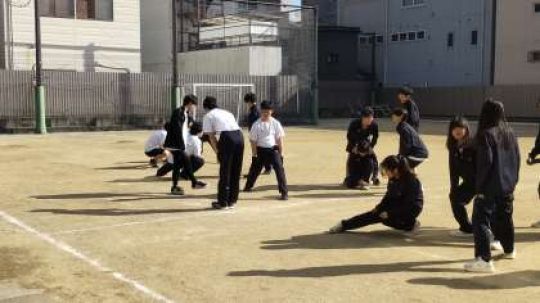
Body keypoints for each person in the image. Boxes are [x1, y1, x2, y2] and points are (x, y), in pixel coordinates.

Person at [465, 99, 520, 273]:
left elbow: (486, 163)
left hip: (490, 186)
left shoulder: (485, 135)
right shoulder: (510, 132)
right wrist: (513, 181)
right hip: (507, 185)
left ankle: (483, 259)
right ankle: (510, 250)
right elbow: (517, 159)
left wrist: (479, 188)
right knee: (504, 218)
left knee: (480, 220)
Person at [328, 155, 423, 234]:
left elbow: (409, 204)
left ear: (395, 170)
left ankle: (411, 223)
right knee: (375, 214)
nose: (385, 172)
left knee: (386, 217)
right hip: (398, 203)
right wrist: (379, 208)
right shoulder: (393, 179)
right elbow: (389, 197)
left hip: (412, 208)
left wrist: (390, 213)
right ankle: (344, 225)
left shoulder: (411, 181)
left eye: (387, 170)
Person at [203, 96, 245, 210]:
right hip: (239, 136)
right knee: (236, 170)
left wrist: (218, 152)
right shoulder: (227, 112)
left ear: (205, 107)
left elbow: (211, 137)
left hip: (227, 137)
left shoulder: (208, 115)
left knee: (225, 171)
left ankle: (223, 202)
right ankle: (232, 200)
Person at [244, 101, 288, 200]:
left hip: (273, 150)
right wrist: (254, 154)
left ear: (271, 111)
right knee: (254, 170)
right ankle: (248, 186)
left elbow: (279, 139)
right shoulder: (256, 124)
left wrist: (281, 154)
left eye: (268, 111)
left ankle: (284, 193)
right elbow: (253, 141)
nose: (266, 113)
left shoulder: (275, 123)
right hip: (260, 151)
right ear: (261, 111)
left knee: (280, 170)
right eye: (264, 111)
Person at [164, 95, 207, 195]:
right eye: (194, 105)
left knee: (177, 165)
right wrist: (181, 145)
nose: (194, 108)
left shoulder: (185, 113)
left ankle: (175, 187)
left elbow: (188, 125)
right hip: (175, 144)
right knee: (186, 159)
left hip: (178, 144)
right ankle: (194, 182)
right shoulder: (178, 112)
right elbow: (177, 129)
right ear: (190, 103)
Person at [446, 116, 475, 237]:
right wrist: (454, 187)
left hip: (482, 181)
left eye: (460, 128)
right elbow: (453, 170)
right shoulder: (453, 147)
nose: (457, 131)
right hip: (470, 182)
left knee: (483, 208)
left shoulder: (475, 145)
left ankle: (493, 235)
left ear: (466, 129)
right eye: (454, 128)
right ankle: (466, 228)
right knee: (455, 197)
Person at [345, 107, 380, 187]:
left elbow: (375, 137)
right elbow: (349, 136)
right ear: (362, 118)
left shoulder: (374, 125)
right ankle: (348, 177)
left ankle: (372, 177)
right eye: (366, 118)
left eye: (370, 118)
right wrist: (354, 147)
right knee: (351, 158)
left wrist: (371, 147)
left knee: (372, 159)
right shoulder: (354, 124)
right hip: (354, 141)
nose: (369, 120)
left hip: (365, 143)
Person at [244, 92, 271, 175]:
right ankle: (268, 168)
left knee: (256, 153)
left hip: (257, 135)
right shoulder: (256, 110)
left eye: (247, 102)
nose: (247, 104)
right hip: (258, 134)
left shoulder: (254, 112)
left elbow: (256, 124)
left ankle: (253, 171)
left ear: (249, 102)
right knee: (261, 153)